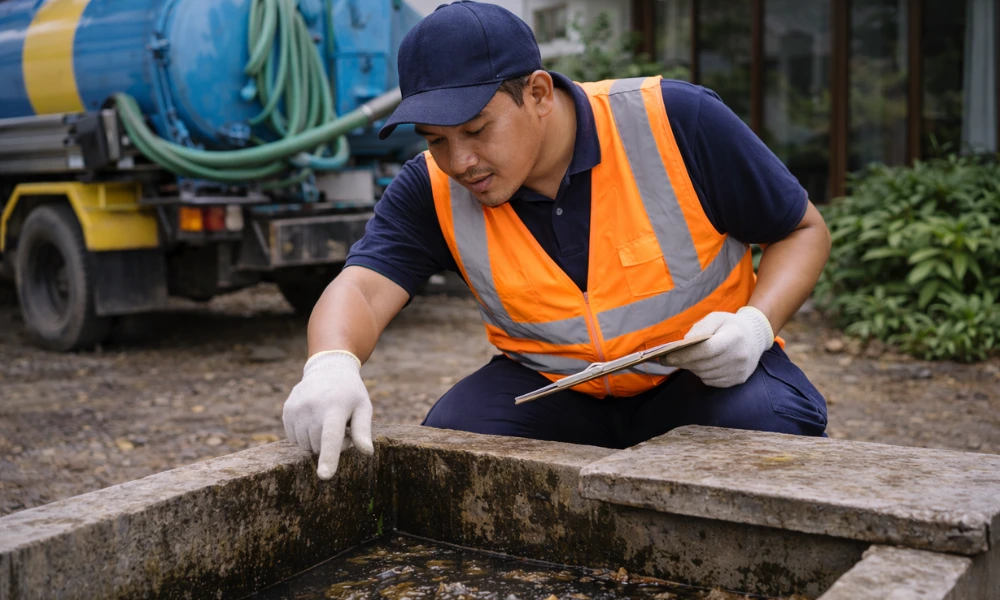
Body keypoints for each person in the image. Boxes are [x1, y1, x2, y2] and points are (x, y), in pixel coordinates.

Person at [282, 1, 832, 479]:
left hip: (701, 377)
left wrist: (754, 327)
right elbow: (361, 289)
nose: (460, 161)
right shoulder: (430, 186)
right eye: (436, 140)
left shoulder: (675, 121)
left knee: (770, 427)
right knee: (451, 446)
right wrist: (330, 362)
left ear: (538, 93)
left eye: (475, 130)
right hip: (554, 388)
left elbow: (802, 230)